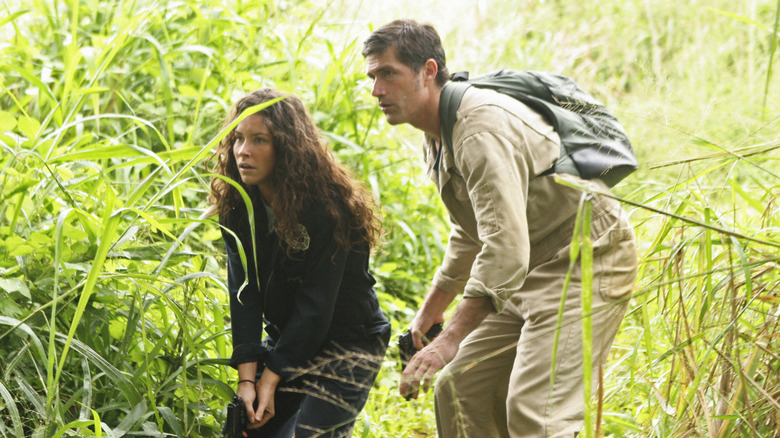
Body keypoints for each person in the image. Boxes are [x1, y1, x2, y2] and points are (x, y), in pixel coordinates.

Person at [362, 20, 638, 438]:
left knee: (536, 412)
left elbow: (505, 251)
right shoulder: (437, 133)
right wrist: (432, 310)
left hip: (587, 258)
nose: (376, 91)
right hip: (526, 267)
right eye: (372, 76)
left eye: (388, 74)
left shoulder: (478, 130)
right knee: (460, 388)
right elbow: (473, 232)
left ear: (428, 71)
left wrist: (450, 338)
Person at [209, 88, 391, 438]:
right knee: (246, 428)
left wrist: (272, 377)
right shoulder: (237, 206)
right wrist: (249, 380)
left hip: (347, 343)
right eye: (238, 139)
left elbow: (316, 306)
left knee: (309, 435)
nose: (244, 151)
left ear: (286, 147)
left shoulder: (326, 209)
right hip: (289, 339)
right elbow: (243, 295)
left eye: (259, 140)